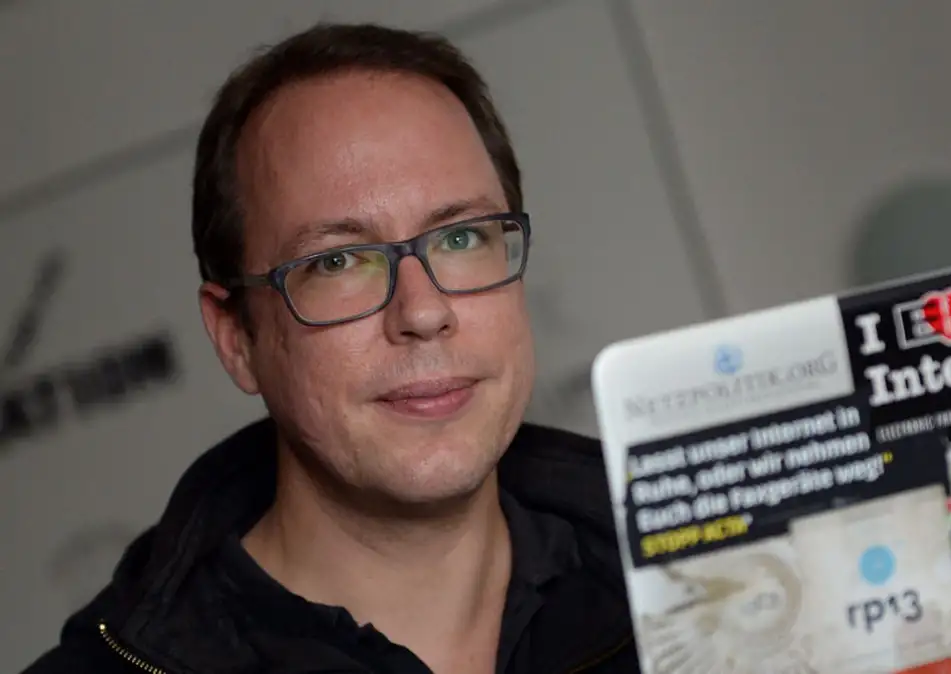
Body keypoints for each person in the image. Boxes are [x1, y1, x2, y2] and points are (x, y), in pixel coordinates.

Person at [24, 22, 639, 674]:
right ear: (236, 338)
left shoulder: (701, 568)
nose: (423, 311)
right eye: (338, 261)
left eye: (460, 238)